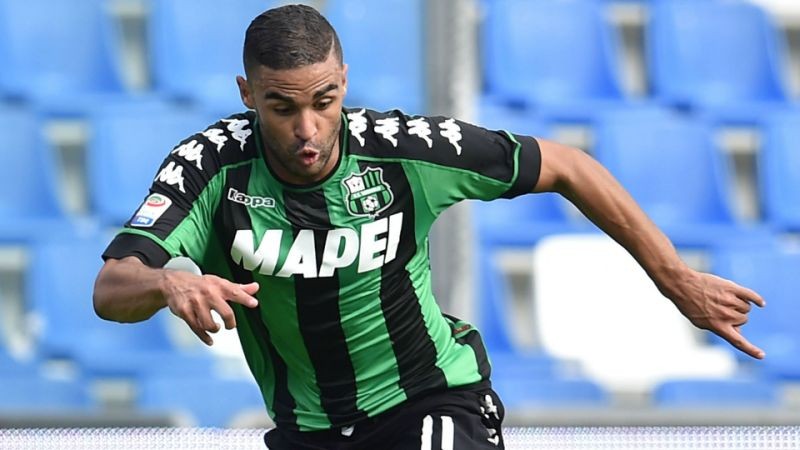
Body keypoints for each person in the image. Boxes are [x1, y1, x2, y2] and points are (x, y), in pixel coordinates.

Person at [93, 4, 766, 449]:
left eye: (325, 101)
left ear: (344, 82)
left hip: (430, 402)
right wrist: (165, 285)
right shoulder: (210, 167)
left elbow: (566, 165)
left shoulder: (402, 148)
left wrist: (673, 278)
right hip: (309, 429)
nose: (308, 129)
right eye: (281, 106)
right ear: (247, 95)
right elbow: (111, 287)